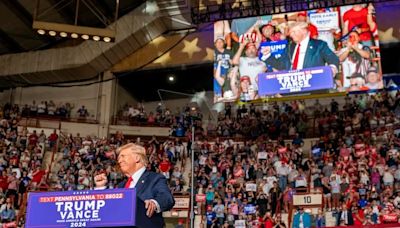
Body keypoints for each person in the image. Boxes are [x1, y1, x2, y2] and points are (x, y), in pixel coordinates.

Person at [94, 143, 175, 228]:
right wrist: (101, 188)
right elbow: (110, 210)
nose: (119, 161)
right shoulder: (121, 185)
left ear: (137, 158)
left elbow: (167, 197)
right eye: (119, 158)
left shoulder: (154, 178)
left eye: (123, 156)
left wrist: (154, 203)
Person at [262, 22, 339, 74]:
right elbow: (281, 65)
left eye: (294, 32)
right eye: (291, 32)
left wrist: (332, 68)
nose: (291, 35)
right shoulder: (289, 47)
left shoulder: (319, 45)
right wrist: (267, 55)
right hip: (292, 89)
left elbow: (333, 58)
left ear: (304, 31)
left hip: (313, 87)